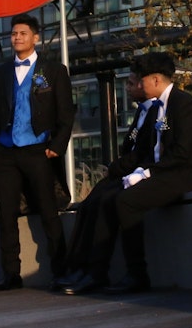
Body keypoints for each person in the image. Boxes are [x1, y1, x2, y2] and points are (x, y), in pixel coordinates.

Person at [60, 51, 192, 295]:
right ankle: (95, 272)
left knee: (126, 200)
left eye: (141, 80)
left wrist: (145, 174)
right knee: (107, 196)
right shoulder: (155, 108)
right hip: (163, 171)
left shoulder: (182, 103)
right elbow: (144, 150)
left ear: (156, 80)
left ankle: (137, 274)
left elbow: (181, 154)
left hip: (187, 173)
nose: (137, 84)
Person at [0, 13, 76, 291]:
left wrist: (56, 147)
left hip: (39, 149)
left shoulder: (54, 70)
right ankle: (11, 274)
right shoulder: (0, 73)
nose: (17, 38)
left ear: (36, 38)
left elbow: (66, 113)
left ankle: (61, 271)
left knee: (49, 211)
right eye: (13, 34)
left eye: (22, 33)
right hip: (6, 151)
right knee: (6, 214)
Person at [54, 68, 157, 292]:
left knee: (107, 200)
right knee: (89, 203)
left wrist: (119, 168)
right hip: (130, 171)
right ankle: (80, 267)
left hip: (143, 173)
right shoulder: (142, 112)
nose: (128, 89)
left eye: (131, 84)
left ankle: (97, 271)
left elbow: (148, 153)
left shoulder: (160, 111)